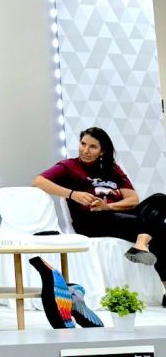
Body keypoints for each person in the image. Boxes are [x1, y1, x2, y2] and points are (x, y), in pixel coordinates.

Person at [33, 127, 166, 300]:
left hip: (114, 214)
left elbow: (133, 199)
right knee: (161, 230)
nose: (85, 150)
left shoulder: (113, 169)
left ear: (102, 151)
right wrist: (73, 194)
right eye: (83, 144)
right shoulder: (69, 166)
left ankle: (141, 242)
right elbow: (38, 182)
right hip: (91, 220)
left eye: (93, 147)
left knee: (160, 199)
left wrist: (108, 206)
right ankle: (142, 243)